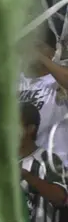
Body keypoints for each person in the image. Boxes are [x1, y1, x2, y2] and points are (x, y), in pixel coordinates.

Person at [20, 29, 68, 162]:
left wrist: (41, 57)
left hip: (56, 164)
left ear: (54, 51)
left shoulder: (56, 80)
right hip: (25, 165)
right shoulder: (19, 82)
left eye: (39, 46)